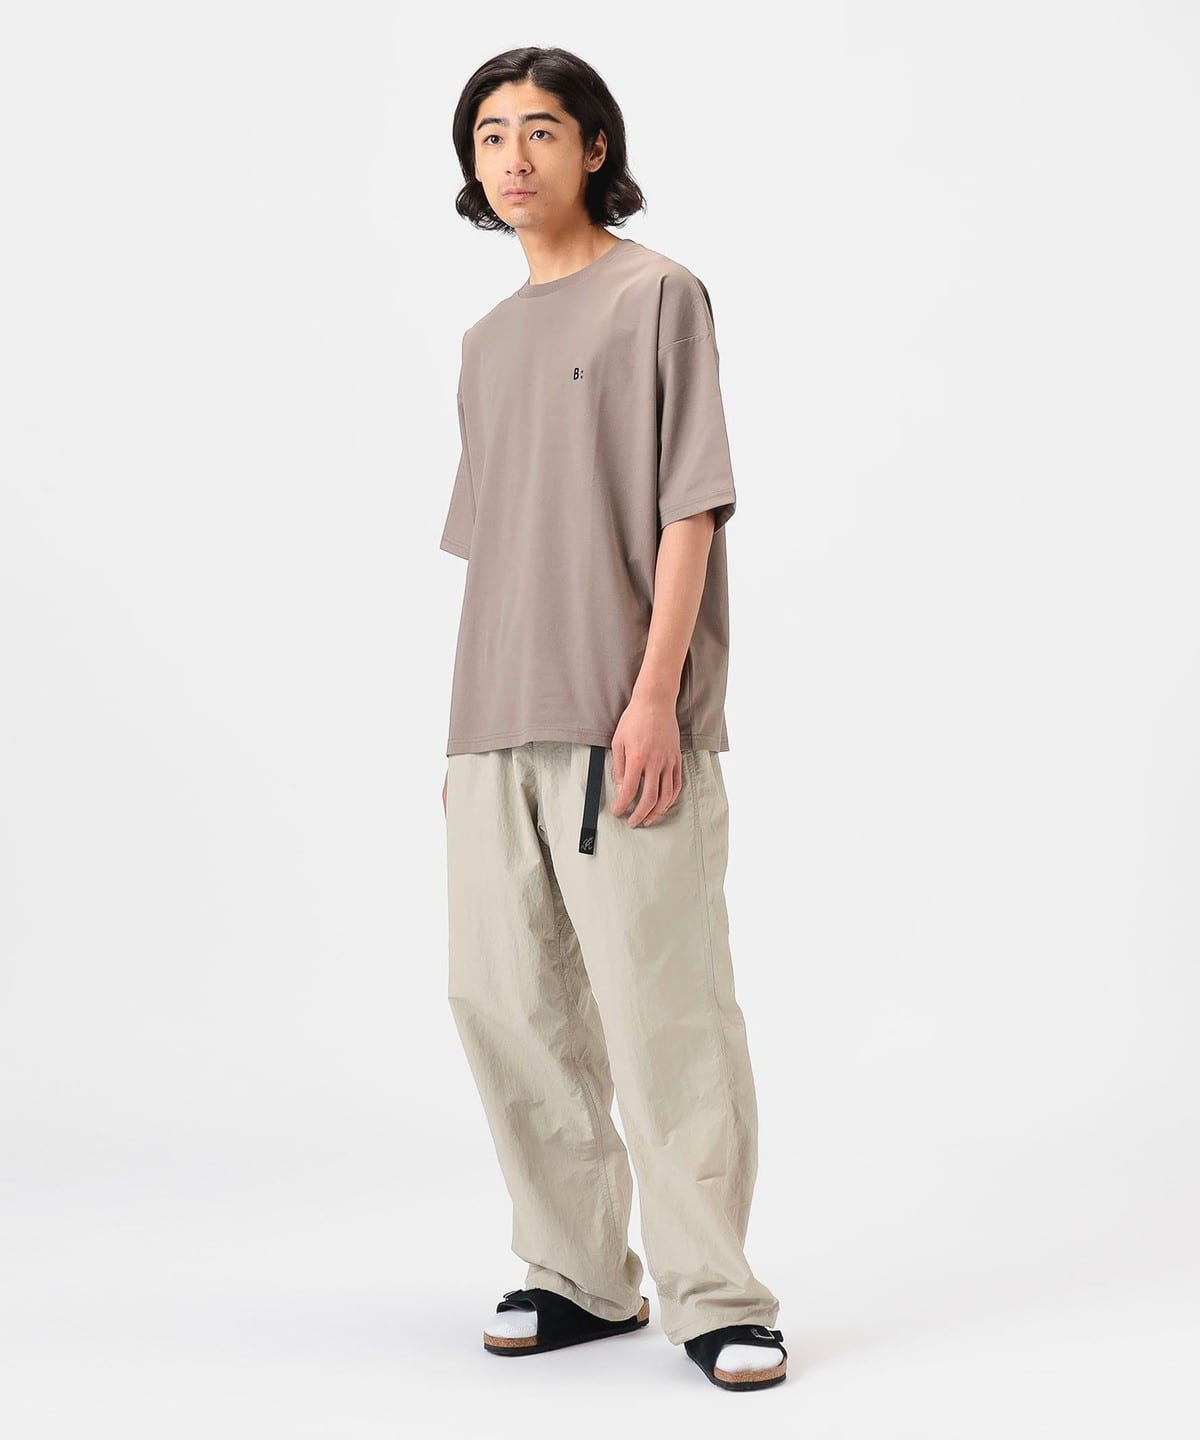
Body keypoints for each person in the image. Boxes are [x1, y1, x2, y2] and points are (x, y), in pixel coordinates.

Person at [438, 46, 786, 1393]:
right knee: (504, 1004)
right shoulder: (484, 346)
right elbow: (498, 552)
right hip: (495, 721)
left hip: (623, 717)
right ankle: (578, 1275)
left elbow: (689, 508)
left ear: (594, 146)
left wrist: (654, 697)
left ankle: (718, 1297)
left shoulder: (658, 298)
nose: (512, 157)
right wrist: (465, 741)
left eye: (540, 130)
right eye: (489, 135)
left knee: (663, 1010)